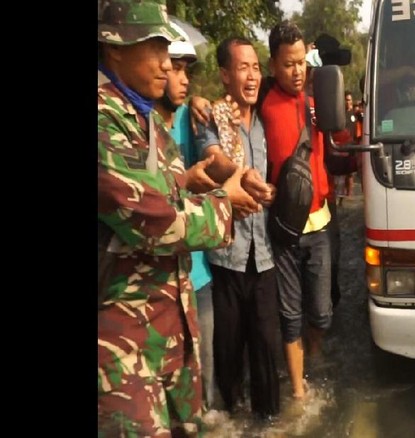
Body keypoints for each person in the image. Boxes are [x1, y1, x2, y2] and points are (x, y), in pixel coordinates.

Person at [97, 0, 259, 435]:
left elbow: (161, 192)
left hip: (171, 331)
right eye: (156, 47)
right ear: (114, 48)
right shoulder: (103, 118)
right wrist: (226, 200)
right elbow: (156, 222)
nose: (167, 63)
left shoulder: (145, 118)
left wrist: (195, 181)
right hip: (121, 348)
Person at [192, 37, 282, 419]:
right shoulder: (212, 116)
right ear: (225, 75)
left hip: (263, 256)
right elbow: (212, 158)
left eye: (255, 67)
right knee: (227, 353)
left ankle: (271, 422)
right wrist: (241, 175)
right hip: (227, 255)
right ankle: (229, 421)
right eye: (242, 68)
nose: (251, 75)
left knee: (266, 349)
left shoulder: (262, 121)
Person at [151, 25, 226, 420]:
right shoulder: (130, 126)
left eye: (186, 71)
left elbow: (220, 164)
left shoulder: (192, 117)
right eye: (173, 68)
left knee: (203, 382)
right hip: (157, 288)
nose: (180, 78)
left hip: (198, 277)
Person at [260, 20, 336, 401]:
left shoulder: (316, 105)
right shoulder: (261, 105)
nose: (297, 70)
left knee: (321, 313)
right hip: (283, 230)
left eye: (301, 62)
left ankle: (314, 354)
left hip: (319, 224)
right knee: (290, 315)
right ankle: (299, 392)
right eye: (288, 63)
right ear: (273, 64)